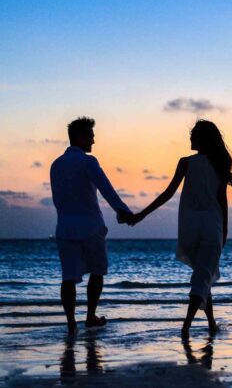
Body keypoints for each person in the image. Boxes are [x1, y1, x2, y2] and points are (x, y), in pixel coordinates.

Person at [130, 120, 232, 338]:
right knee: (202, 276)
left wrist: (142, 214)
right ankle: (186, 327)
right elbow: (222, 200)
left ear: (202, 138)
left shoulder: (186, 163)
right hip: (212, 226)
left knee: (203, 275)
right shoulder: (220, 163)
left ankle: (211, 324)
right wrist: (225, 230)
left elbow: (168, 194)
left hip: (189, 228)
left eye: (193, 135)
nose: (189, 138)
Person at [50, 116, 133, 335]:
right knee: (97, 272)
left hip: (65, 227)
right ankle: (90, 316)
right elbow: (106, 188)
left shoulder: (56, 165)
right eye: (90, 136)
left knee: (68, 278)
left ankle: (70, 324)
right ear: (79, 136)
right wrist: (123, 211)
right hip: (90, 226)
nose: (93, 141)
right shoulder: (88, 162)